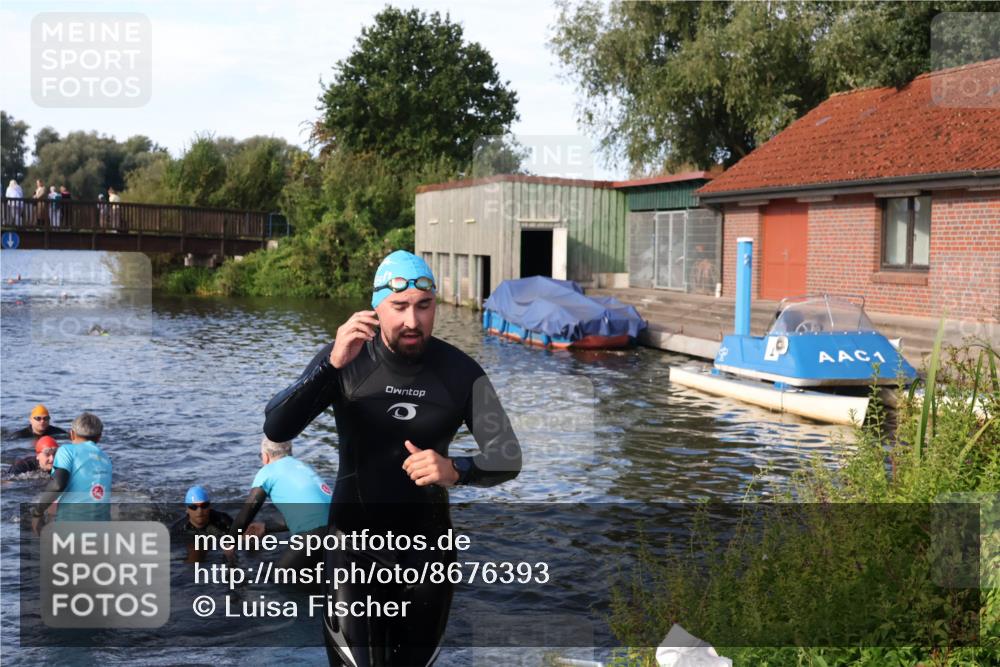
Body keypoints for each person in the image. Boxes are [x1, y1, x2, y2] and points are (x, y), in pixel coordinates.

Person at [263, 249, 522, 666]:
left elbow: (508, 456)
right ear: (376, 308)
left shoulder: (461, 373)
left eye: (424, 305)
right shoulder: (346, 359)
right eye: (399, 306)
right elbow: (277, 427)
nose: (412, 321)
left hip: (428, 554)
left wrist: (456, 469)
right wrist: (330, 365)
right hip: (352, 550)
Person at [230, 437, 332, 572]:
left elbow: (246, 514)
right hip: (341, 528)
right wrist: (266, 527)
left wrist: (230, 543)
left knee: (280, 576)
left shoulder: (268, 471)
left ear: (265, 457)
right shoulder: (304, 467)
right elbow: (307, 514)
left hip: (314, 534)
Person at [31, 412, 111, 531]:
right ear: (99, 437)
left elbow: (57, 485)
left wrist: (37, 513)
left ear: (72, 434)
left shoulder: (66, 450)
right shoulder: (106, 458)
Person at [171, 485, 245, 564]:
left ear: (209, 506)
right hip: (196, 548)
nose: (199, 511)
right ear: (187, 509)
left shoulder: (222, 520)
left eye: (204, 506)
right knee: (195, 553)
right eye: (193, 507)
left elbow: (240, 535)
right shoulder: (179, 529)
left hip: (217, 552)